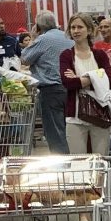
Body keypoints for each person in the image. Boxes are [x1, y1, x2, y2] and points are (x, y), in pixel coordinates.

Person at [61, 13, 111, 156]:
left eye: (80, 27)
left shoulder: (100, 55)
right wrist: (97, 77)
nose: (76, 31)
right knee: (78, 161)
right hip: (75, 117)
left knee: (100, 160)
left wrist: (82, 79)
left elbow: (109, 81)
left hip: (100, 113)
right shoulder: (66, 55)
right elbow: (68, 83)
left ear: (89, 30)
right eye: (73, 27)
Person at [21, 9, 71, 154]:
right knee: (70, 128)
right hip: (70, 87)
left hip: (50, 91)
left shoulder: (42, 40)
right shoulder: (67, 37)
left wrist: (32, 37)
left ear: (37, 26)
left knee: (55, 131)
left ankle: (62, 164)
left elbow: (25, 58)